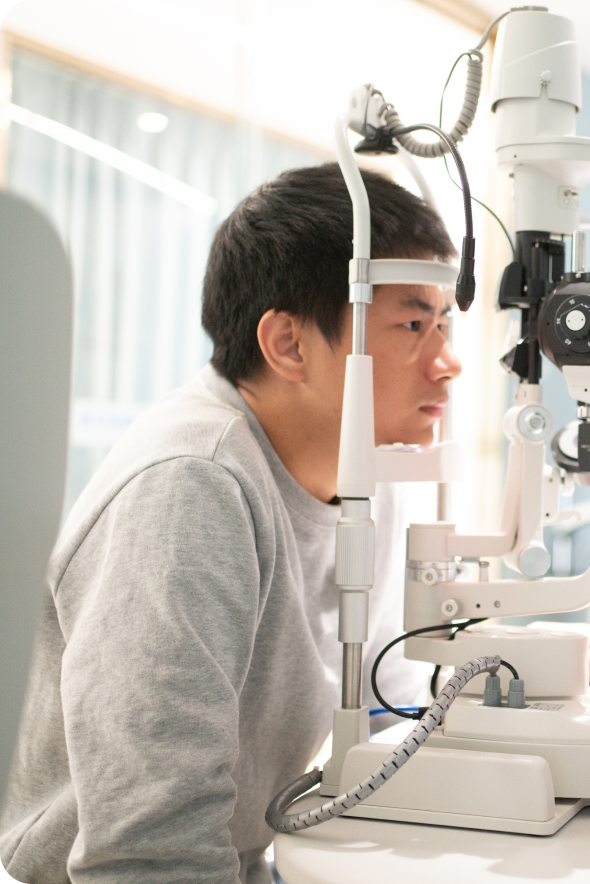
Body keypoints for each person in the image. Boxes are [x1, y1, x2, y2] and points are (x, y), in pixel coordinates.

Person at [0, 163, 462, 883]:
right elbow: (148, 849)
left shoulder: (366, 470)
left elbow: (385, 703)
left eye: (444, 322)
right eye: (412, 322)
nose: (448, 362)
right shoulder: (192, 485)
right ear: (288, 344)